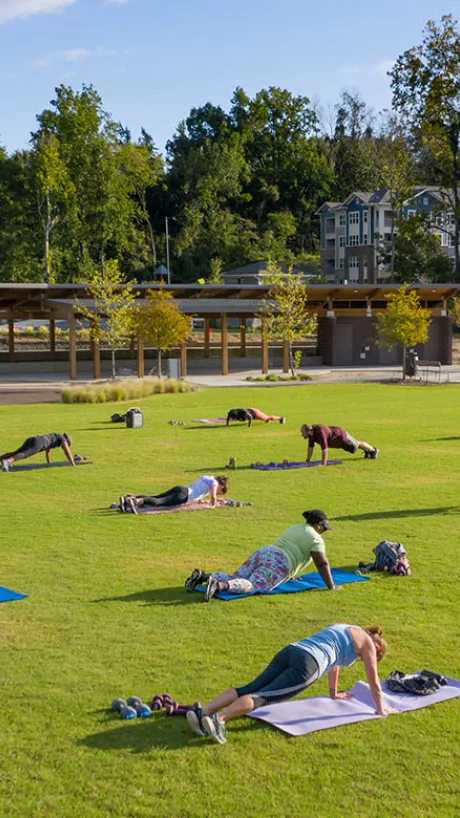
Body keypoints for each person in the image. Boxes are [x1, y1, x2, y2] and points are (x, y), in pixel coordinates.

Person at [186, 623, 396, 744]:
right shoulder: (368, 645)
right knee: (263, 697)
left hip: (291, 651)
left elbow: (335, 663)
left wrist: (334, 693)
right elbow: (374, 681)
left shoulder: (347, 628)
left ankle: (203, 712)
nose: (363, 660)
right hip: (308, 665)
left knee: (250, 688)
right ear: (377, 649)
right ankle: (219, 719)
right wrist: (380, 709)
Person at [185, 509, 339, 600]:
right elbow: (322, 564)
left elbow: (292, 547)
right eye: (324, 528)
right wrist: (331, 586)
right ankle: (219, 585)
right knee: (254, 585)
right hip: (279, 564)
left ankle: (204, 577)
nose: (324, 531)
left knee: (238, 577)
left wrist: (291, 575)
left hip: (265, 552)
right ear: (319, 525)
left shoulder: (297, 527)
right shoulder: (316, 538)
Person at [120, 475, 229, 514]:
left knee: (156, 497)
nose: (219, 494)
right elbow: (213, 497)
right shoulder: (214, 483)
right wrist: (213, 506)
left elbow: (198, 494)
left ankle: (129, 499)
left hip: (182, 489)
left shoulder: (206, 477)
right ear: (221, 486)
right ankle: (135, 501)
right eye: (221, 491)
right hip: (184, 496)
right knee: (159, 502)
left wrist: (203, 501)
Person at [300, 424, 379, 466]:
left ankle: (373, 451)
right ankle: (368, 451)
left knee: (356, 445)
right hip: (336, 441)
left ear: (309, 431)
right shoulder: (311, 434)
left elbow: (325, 450)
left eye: (303, 433)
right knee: (355, 446)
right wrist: (308, 460)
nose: (302, 434)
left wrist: (323, 464)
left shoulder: (320, 432)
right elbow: (310, 447)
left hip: (341, 437)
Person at [1, 433, 74, 471]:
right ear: (67, 442)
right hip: (39, 443)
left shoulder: (56, 437)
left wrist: (49, 464)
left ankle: (2, 459)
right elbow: (67, 452)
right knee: (25, 454)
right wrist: (73, 464)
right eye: (68, 445)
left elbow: (48, 451)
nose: (64, 447)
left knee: (16, 452)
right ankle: (7, 461)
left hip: (33, 439)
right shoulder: (63, 439)